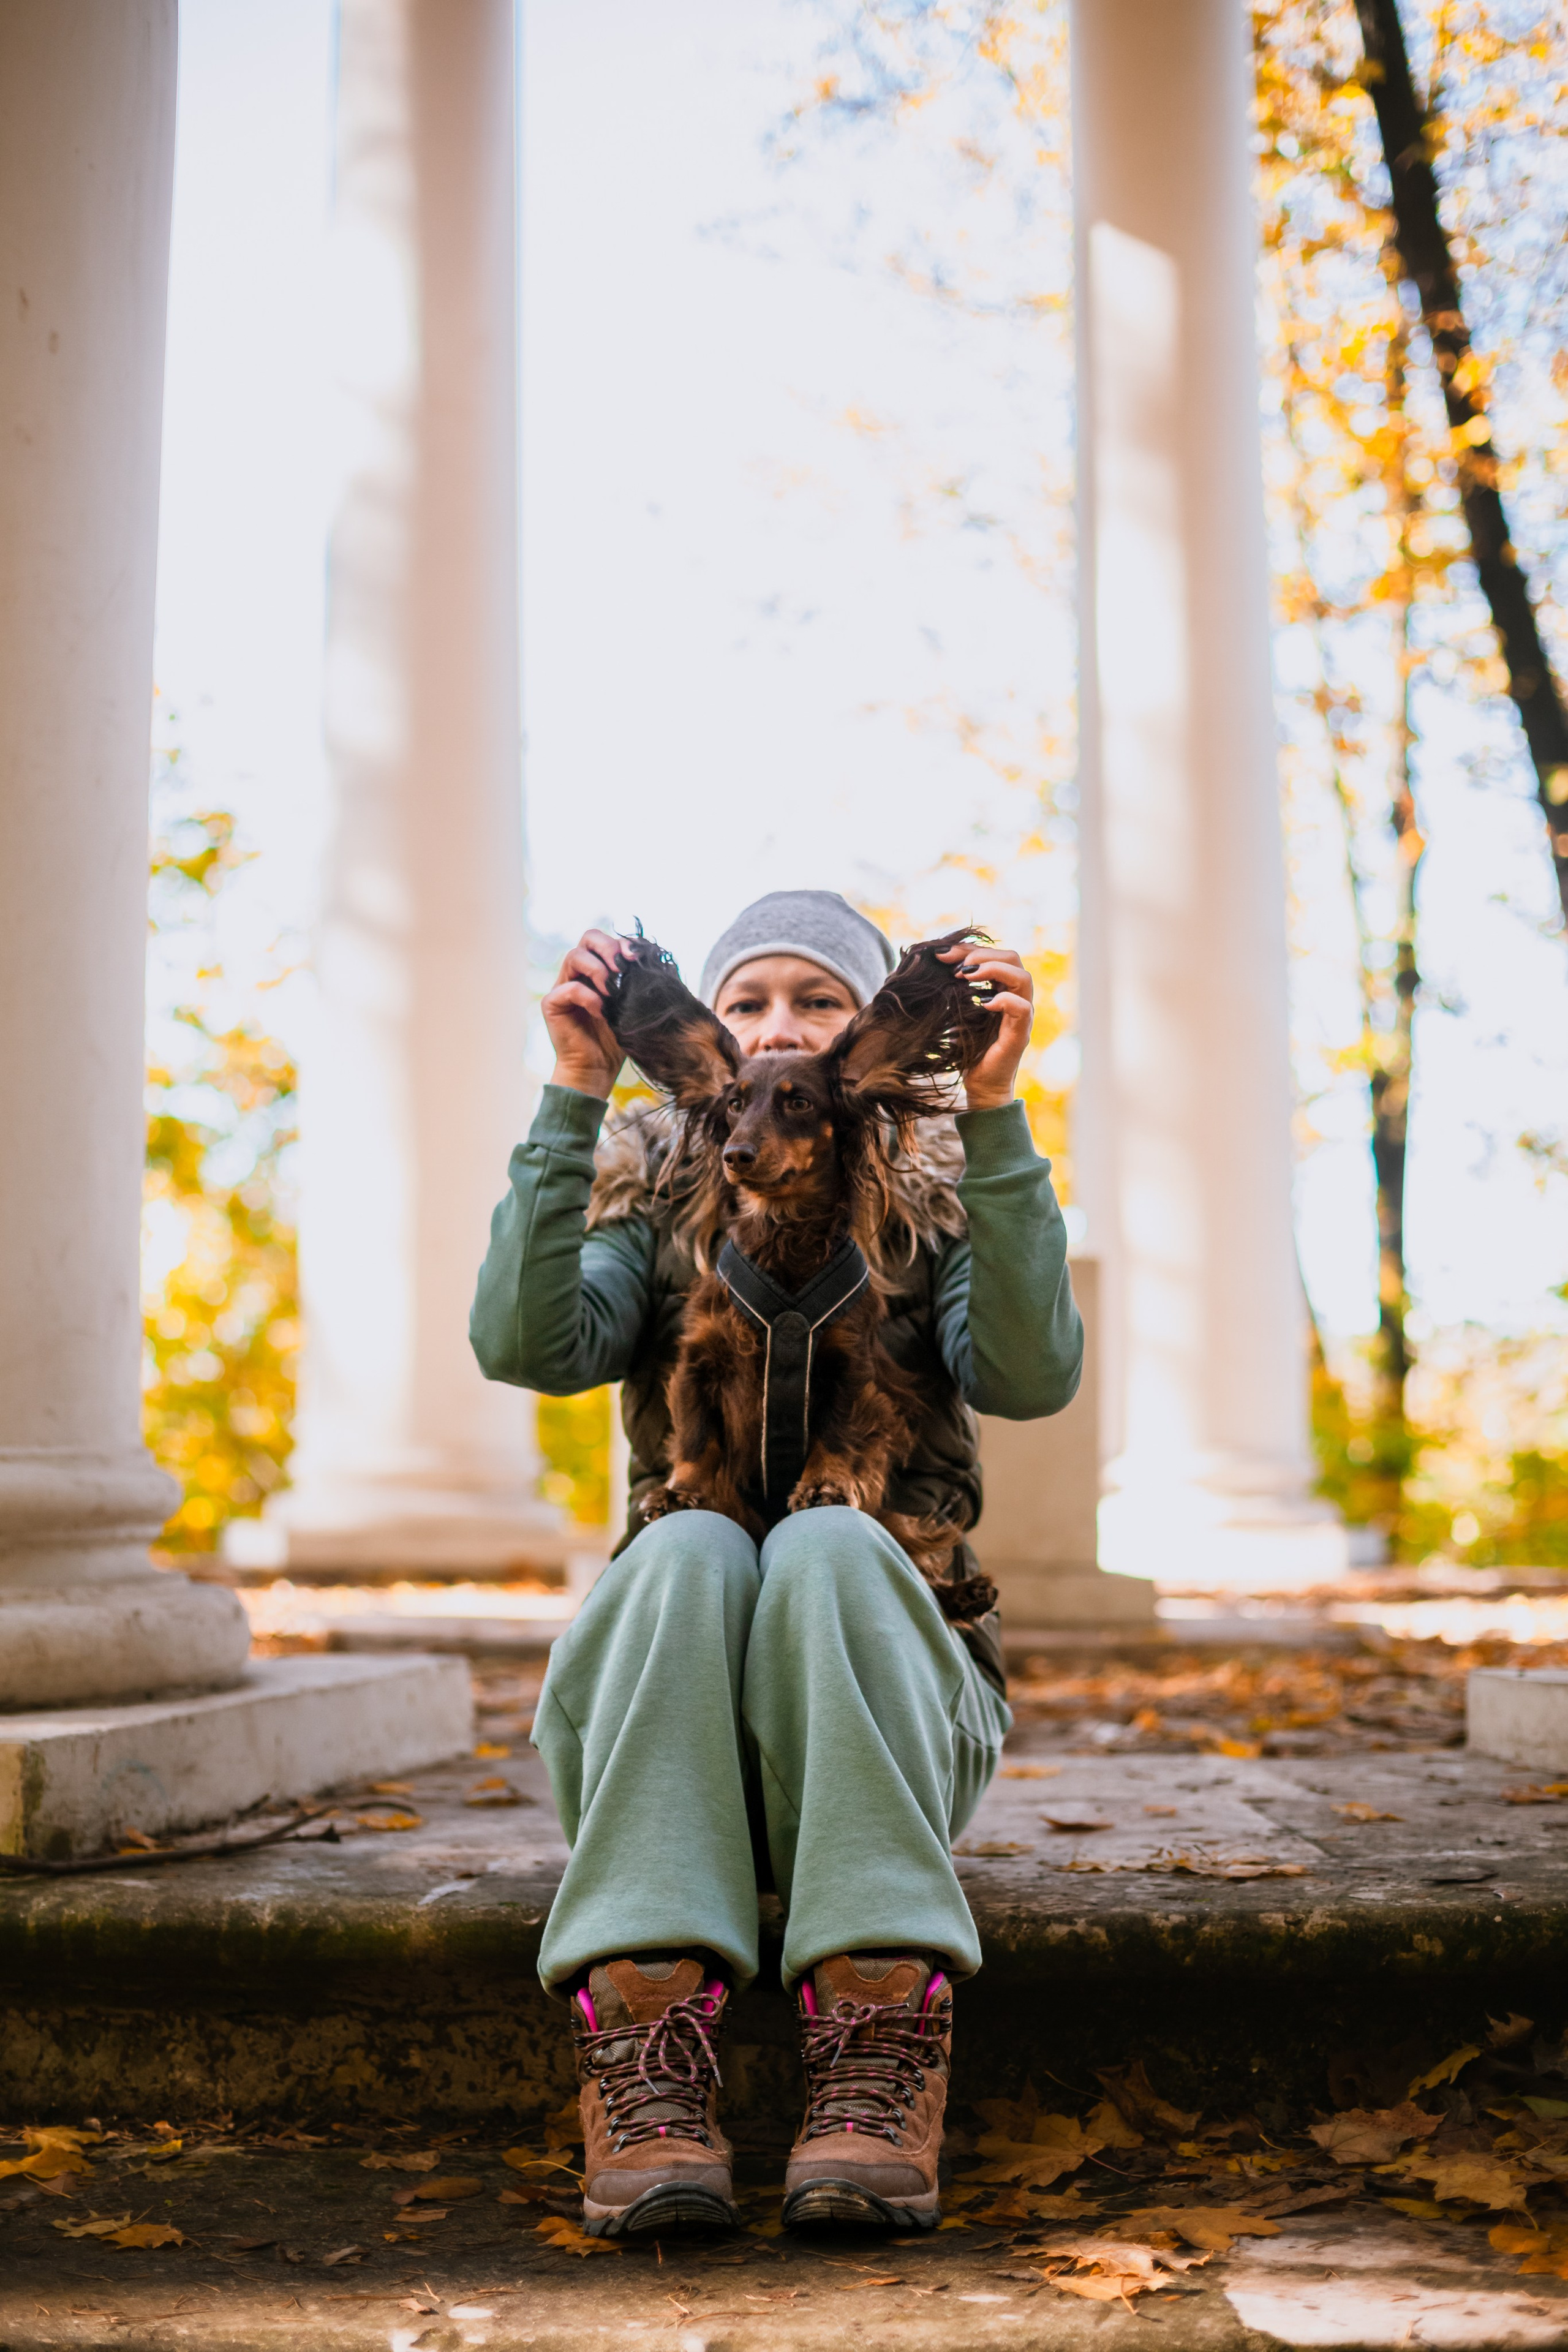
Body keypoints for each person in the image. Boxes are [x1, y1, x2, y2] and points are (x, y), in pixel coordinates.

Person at [470, 890, 1082, 2238]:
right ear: (697, 1032)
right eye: (743, 1004)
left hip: (885, 1713)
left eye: (814, 1002)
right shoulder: (660, 1183)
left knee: (821, 1540)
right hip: (663, 1711)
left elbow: (1031, 1376)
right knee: (688, 1539)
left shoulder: (933, 1196)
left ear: (868, 1036)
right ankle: (641, 2029)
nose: (770, 1035)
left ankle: (876, 2026)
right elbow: (526, 1348)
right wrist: (574, 1094)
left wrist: (991, 1120)